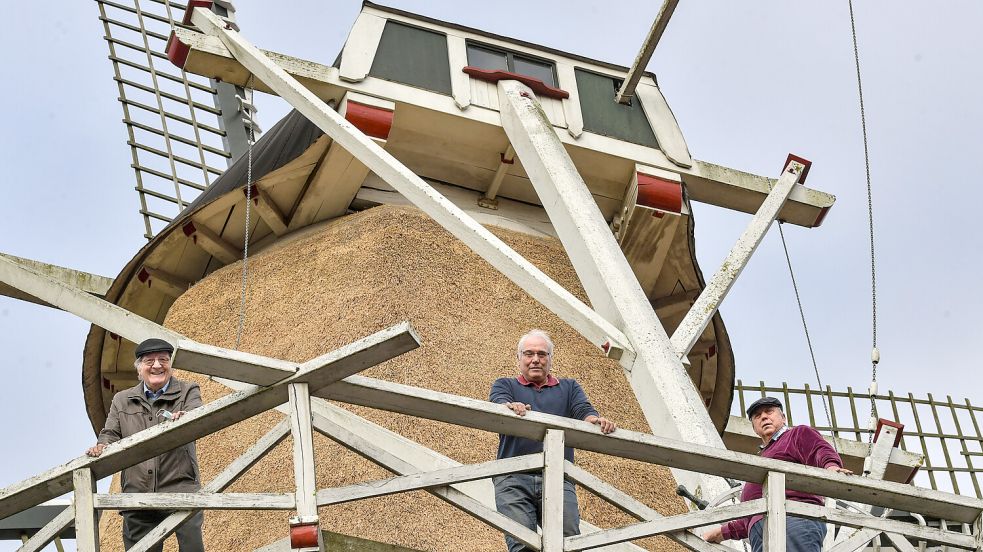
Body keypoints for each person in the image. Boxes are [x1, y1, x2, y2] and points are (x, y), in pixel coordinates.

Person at [490, 329, 616, 552]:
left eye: (542, 354)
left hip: (557, 478)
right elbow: (498, 403)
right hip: (513, 477)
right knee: (521, 545)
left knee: (568, 542)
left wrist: (595, 420)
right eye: (529, 354)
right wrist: (509, 407)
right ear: (519, 358)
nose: (535, 359)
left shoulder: (569, 387)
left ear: (550, 359)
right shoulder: (505, 385)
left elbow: (583, 411)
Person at [86, 338, 205, 552]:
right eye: (150, 361)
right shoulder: (122, 399)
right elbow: (110, 433)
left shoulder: (188, 391)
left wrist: (186, 417)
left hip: (180, 487)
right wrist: (102, 445)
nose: (157, 365)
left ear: (170, 364)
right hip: (137, 491)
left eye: (163, 360)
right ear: (139, 368)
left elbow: (198, 416)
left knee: (192, 548)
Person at [702, 396, 852, 552]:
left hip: (793, 518)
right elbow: (752, 513)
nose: (764, 417)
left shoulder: (796, 435)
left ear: (783, 418)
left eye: (769, 411)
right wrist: (721, 532)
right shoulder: (764, 457)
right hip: (760, 531)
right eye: (757, 416)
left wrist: (831, 466)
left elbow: (818, 449)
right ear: (754, 427)